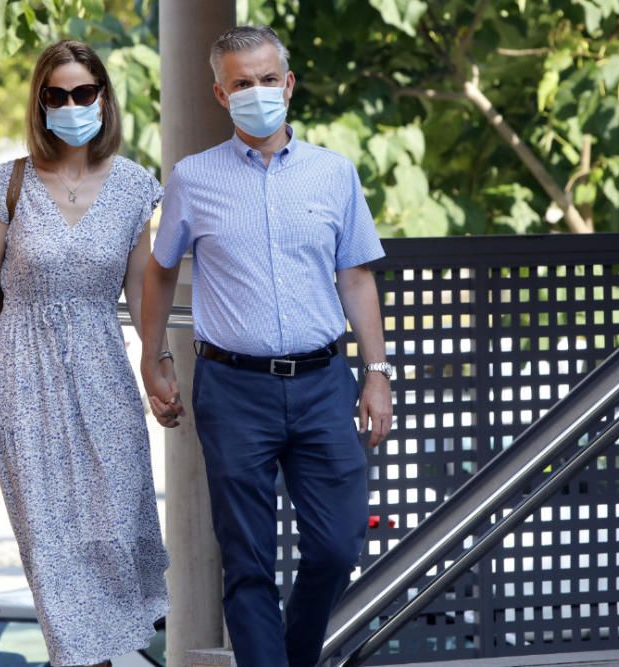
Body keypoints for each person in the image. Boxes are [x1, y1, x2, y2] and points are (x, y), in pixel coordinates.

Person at [141, 25, 393, 667]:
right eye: (241, 83)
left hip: (322, 383)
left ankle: (295, 657)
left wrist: (377, 371)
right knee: (248, 562)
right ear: (221, 95)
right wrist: (155, 357)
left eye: (266, 80)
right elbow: (160, 270)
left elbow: (357, 275)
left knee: (337, 545)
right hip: (233, 389)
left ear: (289, 85)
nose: (257, 92)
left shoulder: (334, 174)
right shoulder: (192, 179)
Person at [0, 40, 170, 667]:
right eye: (58, 95)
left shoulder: (134, 187)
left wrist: (155, 365)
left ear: (103, 98)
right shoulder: (11, 183)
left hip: (103, 369)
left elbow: (141, 290)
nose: (72, 105)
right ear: (41, 102)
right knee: (52, 548)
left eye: (84, 93)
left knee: (114, 532)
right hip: (23, 374)